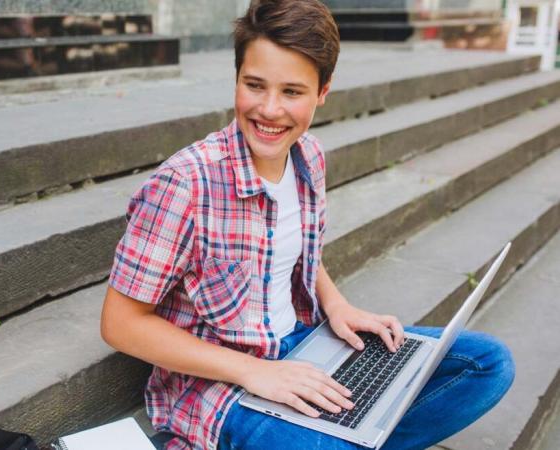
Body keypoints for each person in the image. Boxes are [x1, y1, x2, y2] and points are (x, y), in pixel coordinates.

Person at [100, 1, 515, 449]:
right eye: (254, 85)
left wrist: (337, 305)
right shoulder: (185, 184)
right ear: (236, 78)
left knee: (488, 364)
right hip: (221, 384)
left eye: (292, 92)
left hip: (305, 344)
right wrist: (256, 372)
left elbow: (290, 249)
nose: (270, 109)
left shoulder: (308, 157)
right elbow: (120, 324)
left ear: (323, 91)